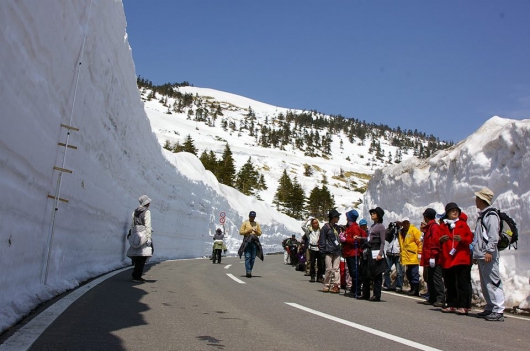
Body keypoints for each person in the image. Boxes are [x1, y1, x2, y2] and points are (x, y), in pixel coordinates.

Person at [473, 187, 505, 321]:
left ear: (481, 200)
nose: (476, 200)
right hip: (483, 254)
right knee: (486, 282)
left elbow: (493, 236)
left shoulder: (491, 215)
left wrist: (489, 251)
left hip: (488, 254)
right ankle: (491, 307)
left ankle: (498, 309)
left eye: (477, 198)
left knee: (493, 281)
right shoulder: (483, 215)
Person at [439, 202, 473, 315]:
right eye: (452, 210)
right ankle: (452, 304)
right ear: (447, 213)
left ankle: (464, 305)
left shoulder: (463, 224)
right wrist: (441, 240)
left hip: (461, 258)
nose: (455, 212)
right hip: (448, 258)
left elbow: (469, 238)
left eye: (456, 210)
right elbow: (436, 240)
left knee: (462, 283)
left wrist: (462, 239)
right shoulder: (443, 225)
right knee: (450, 283)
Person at [359, 207, 387, 302]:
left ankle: (376, 295)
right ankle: (365, 293)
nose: (372, 215)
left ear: (378, 216)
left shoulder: (381, 227)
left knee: (377, 274)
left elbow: (383, 242)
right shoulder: (372, 226)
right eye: (372, 213)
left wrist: (380, 253)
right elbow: (368, 238)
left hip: (376, 250)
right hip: (369, 250)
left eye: (374, 213)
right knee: (366, 272)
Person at [420, 208, 445, 307]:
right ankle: (432, 297)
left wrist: (433, 256)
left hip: (434, 257)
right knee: (430, 278)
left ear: (426, 217)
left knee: (436, 278)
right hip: (429, 257)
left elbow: (434, 242)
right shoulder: (430, 226)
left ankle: (440, 298)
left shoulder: (434, 227)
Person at [127, 195, 153, 283]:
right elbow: (148, 225)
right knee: (143, 256)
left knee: (137, 255)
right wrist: (149, 237)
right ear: (146, 203)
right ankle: (137, 276)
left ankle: (135, 274)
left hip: (135, 233)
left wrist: (131, 233)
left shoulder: (135, 211)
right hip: (144, 234)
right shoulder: (147, 212)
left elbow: (132, 224)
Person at [340, 209, 366, 297]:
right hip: (349, 252)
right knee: (352, 272)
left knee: (354, 272)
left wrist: (346, 239)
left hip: (353, 253)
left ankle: (356, 290)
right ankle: (354, 289)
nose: (346, 219)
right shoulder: (350, 227)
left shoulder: (354, 227)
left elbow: (356, 240)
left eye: (348, 217)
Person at [319, 209, 342, 293]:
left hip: (337, 251)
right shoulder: (325, 228)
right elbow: (322, 240)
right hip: (328, 251)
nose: (338, 218)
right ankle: (327, 284)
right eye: (337, 217)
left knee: (336, 269)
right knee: (329, 269)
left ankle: (336, 285)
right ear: (333, 217)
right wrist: (322, 251)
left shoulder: (338, 228)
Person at [398, 218, 422, 296]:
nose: (405, 225)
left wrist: (420, 252)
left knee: (414, 273)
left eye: (406, 223)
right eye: (403, 223)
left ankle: (415, 290)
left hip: (413, 256)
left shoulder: (414, 230)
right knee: (409, 273)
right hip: (406, 256)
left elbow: (419, 242)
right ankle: (412, 288)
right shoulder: (401, 232)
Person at [238, 211, 263, 278]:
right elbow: (240, 232)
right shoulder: (245, 223)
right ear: (249, 216)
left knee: (252, 258)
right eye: (251, 216)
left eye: (253, 217)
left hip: (254, 241)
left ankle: (249, 270)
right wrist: (247, 231)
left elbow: (260, 233)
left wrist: (256, 231)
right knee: (247, 257)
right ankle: (248, 271)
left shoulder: (256, 224)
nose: (252, 218)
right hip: (247, 241)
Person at [383, 221, 403, 292]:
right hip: (390, 253)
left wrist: (399, 230)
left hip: (398, 253)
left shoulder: (402, 232)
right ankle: (387, 285)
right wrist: (390, 228)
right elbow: (386, 236)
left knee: (399, 271)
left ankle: (399, 286)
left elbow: (403, 238)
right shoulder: (391, 231)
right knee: (386, 270)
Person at [302, 218, 323, 282]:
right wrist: (307, 220)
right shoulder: (309, 231)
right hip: (312, 249)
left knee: (320, 264)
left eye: (316, 223)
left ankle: (319, 277)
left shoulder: (321, 230)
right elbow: (302, 226)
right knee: (312, 263)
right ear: (312, 224)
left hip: (319, 249)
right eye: (314, 223)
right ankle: (312, 276)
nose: (315, 224)